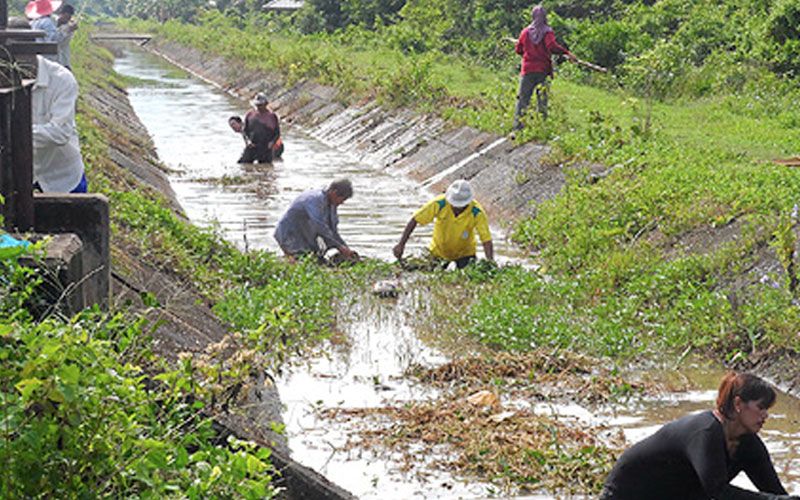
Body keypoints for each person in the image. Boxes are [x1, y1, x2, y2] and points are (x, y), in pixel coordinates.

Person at [600, 372, 800, 500]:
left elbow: (775, 492)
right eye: (761, 408)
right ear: (738, 404)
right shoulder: (706, 433)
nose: (765, 416)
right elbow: (718, 491)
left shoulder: (748, 444)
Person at [9, 17, 86, 193]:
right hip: (19, 176)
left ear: (33, 49)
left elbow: (60, 132)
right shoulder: (4, 78)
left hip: (62, 177)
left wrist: (13, 134)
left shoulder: (61, 80)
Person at [393, 179, 493, 269]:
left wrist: (490, 263)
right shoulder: (440, 203)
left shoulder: (477, 212)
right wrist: (401, 245)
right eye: (454, 205)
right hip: (438, 252)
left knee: (468, 276)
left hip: (465, 254)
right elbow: (415, 219)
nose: (456, 209)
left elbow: (486, 239)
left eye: (460, 206)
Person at [512, 5, 576, 130]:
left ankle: (518, 128)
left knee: (523, 100)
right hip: (542, 71)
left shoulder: (525, 32)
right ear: (545, 17)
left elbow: (518, 50)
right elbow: (551, 46)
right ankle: (542, 127)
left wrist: (528, 51)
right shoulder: (547, 32)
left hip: (528, 70)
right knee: (542, 100)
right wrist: (566, 52)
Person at [274, 179, 357, 262]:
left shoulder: (332, 204)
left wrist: (345, 248)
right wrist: (339, 247)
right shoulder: (314, 199)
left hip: (305, 237)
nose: (342, 202)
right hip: (289, 235)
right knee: (300, 261)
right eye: (343, 199)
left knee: (316, 259)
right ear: (334, 193)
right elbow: (320, 226)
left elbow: (333, 231)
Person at [26, 0, 77, 67]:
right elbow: (54, 40)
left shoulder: (32, 23)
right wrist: (68, 30)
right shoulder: (47, 22)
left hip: (34, 55)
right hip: (47, 59)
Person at [238, 93, 280, 164]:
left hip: (266, 148)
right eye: (257, 105)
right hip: (252, 146)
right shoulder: (250, 115)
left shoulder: (272, 116)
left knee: (266, 167)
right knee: (242, 164)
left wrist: (272, 142)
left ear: (266, 104)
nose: (259, 107)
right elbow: (244, 131)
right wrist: (248, 141)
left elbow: (277, 133)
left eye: (261, 105)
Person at [54, 4, 78, 70]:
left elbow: (63, 42)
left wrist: (69, 30)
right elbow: (56, 40)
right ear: (61, 14)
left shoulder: (68, 27)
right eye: (66, 16)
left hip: (64, 60)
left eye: (69, 17)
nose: (67, 19)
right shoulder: (52, 22)